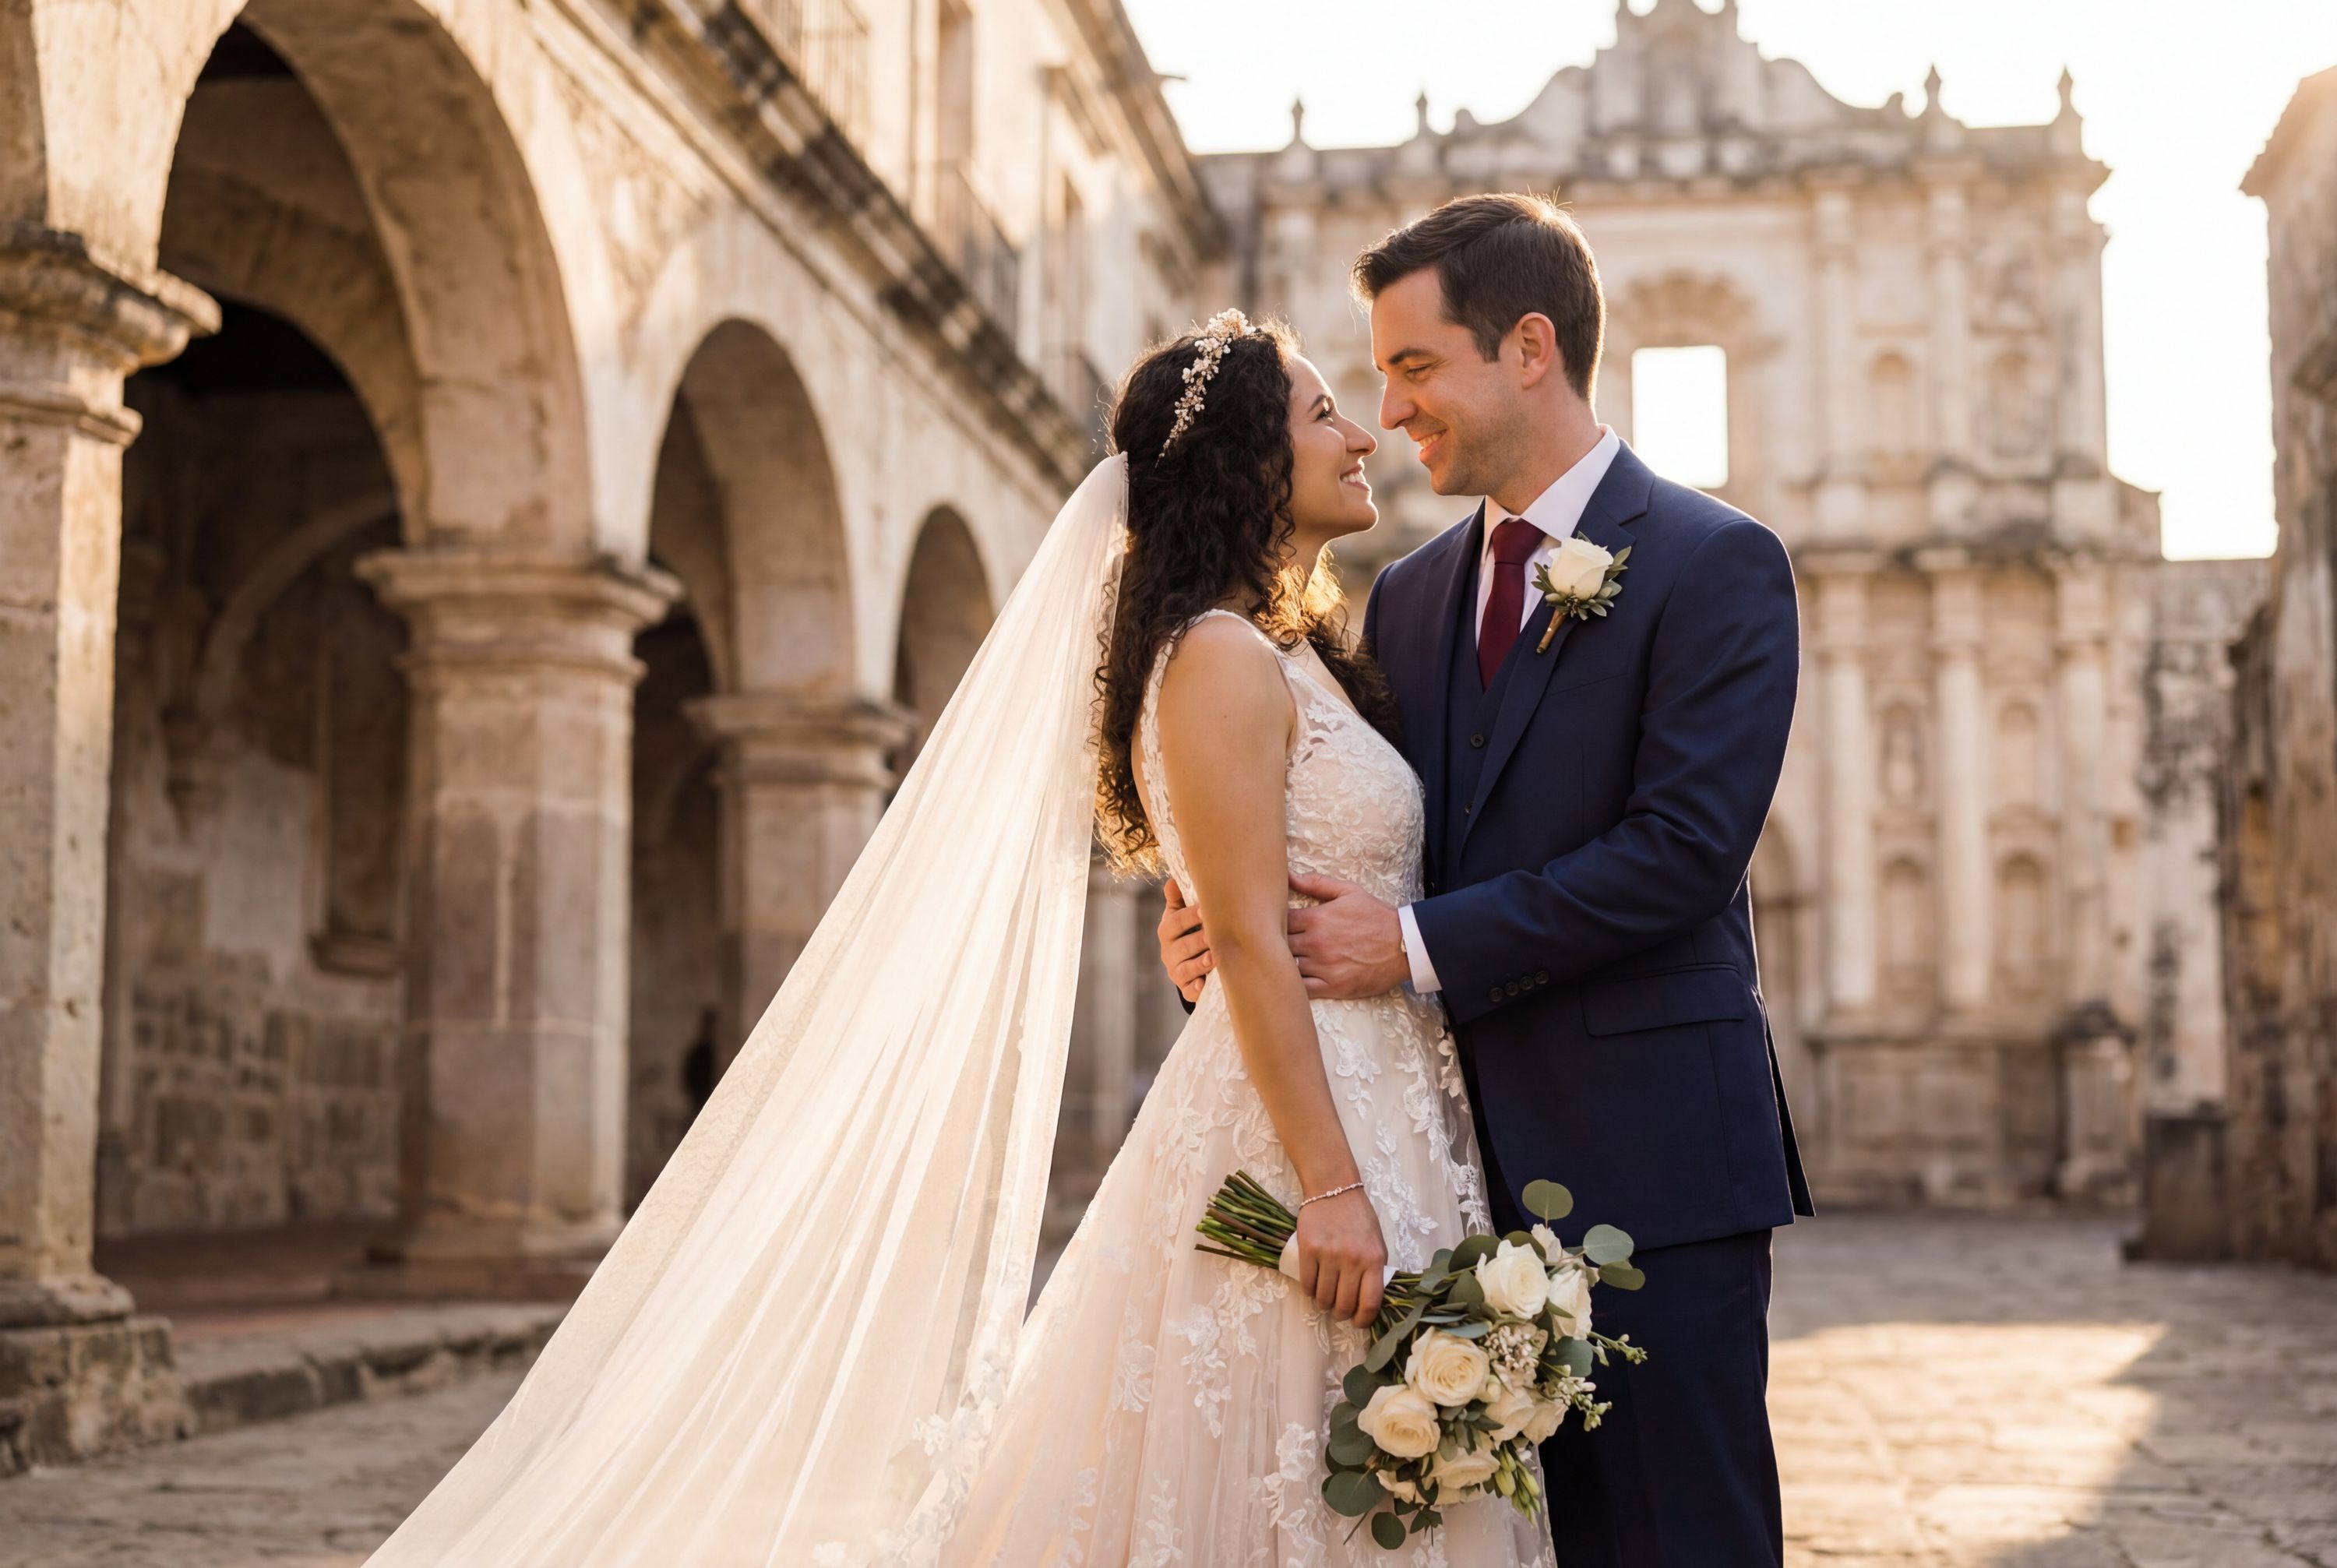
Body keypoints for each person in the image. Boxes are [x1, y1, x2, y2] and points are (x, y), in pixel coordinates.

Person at [359, 310, 1547, 1567]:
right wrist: (1331, 1186)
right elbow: (1250, 942)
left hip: (1384, 1103)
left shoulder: (1286, 653)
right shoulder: (1215, 656)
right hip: (1306, 1136)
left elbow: (1247, 886)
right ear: (1251, 462)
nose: (1360, 432)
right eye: (1322, 414)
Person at [1158, 193, 1813, 1566]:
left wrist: (1407, 945)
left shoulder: (1717, 563)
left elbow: (1683, 855)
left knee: (1678, 1535)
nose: (1393, 413)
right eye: (1374, 377)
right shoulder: (1403, 595)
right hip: (1445, 1180)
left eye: (1412, 367)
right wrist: (1224, 927)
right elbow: (1368, 840)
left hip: (1655, 1165)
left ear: (1527, 347)